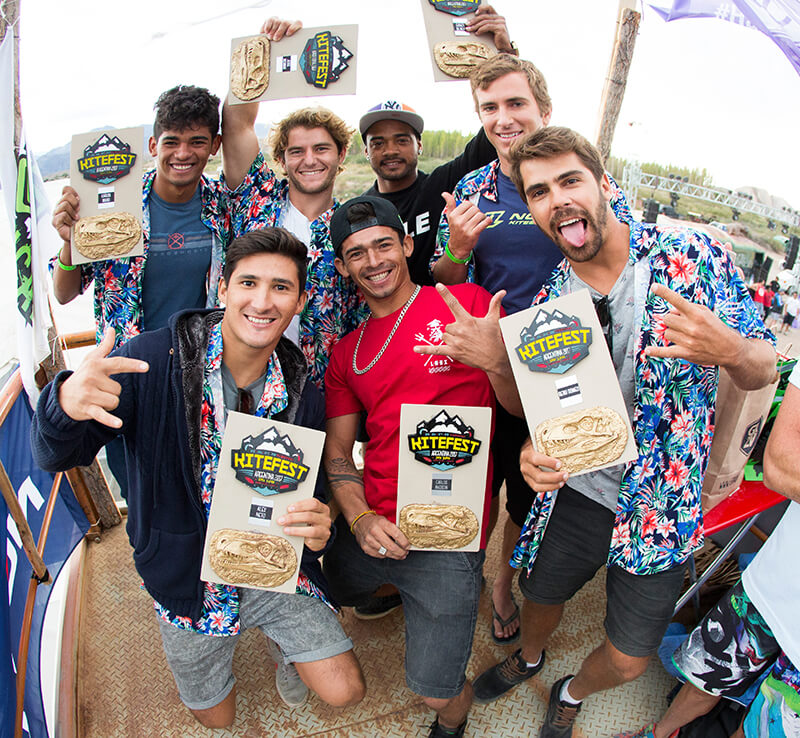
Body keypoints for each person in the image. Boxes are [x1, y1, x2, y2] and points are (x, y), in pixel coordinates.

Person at [471, 127, 776, 738]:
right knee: (541, 593)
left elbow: (764, 365)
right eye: (538, 192)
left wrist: (730, 348)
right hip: (579, 492)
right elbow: (547, 415)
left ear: (604, 183)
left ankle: (573, 689)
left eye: (569, 181)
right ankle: (530, 656)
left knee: (632, 657)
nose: (556, 199)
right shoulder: (552, 297)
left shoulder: (691, 255)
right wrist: (532, 448)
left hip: (665, 502)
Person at [31, 229, 366, 728]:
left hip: (271, 568)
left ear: (298, 302)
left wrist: (322, 525)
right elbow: (54, 456)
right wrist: (62, 405)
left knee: (346, 690)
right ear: (223, 288)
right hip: (186, 577)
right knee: (216, 719)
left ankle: (284, 647)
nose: (262, 300)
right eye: (248, 282)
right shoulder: (150, 359)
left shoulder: (304, 392)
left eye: (281, 288)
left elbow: (312, 493)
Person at [429, 53, 632, 645]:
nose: (503, 118)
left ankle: (502, 580)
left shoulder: (585, 184)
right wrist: (459, 248)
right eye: (488, 108)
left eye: (515, 103)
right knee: (471, 478)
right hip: (482, 366)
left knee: (529, 493)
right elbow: (447, 273)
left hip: (557, 368)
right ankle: (457, 578)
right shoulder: (469, 187)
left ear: (543, 109)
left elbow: (614, 259)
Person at [321, 195, 519, 738]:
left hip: (449, 537)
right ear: (342, 267)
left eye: (384, 244)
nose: (373, 260)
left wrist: (495, 359)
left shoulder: (467, 304)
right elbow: (340, 454)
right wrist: (359, 520)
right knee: (325, 581)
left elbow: (521, 407)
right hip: (374, 525)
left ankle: (451, 727)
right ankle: (390, 595)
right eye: (356, 252)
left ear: (407, 246)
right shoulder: (347, 352)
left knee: (437, 689)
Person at [614, 360, 800, 738]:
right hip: (775, 581)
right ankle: (660, 732)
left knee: (761, 728)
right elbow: (780, 464)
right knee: (704, 676)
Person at [221, 18, 366, 390]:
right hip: (239, 378)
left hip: (321, 391)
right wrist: (262, 50)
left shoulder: (354, 226)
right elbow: (236, 122)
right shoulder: (255, 198)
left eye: (321, 149)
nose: (310, 160)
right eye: (296, 151)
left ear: (341, 153)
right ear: (282, 160)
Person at [359, 4, 517, 286]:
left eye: (402, 140)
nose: (391, 150)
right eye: (379, 142)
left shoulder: (443, 184)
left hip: (443, 319)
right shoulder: (360, 210)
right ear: (365, 151)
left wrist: (505, 54)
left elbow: (499, 128)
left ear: (419, 145)